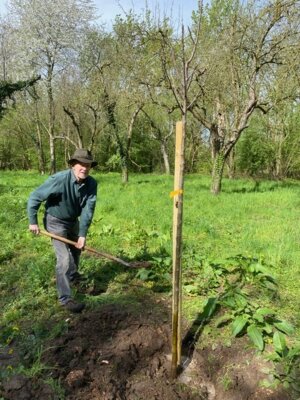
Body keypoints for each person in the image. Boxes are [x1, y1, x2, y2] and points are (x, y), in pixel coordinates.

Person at [27, 148, 98, 313]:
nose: (84, 168)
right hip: (55, 221)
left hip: (73, 220)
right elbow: (35, 196)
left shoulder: (91, 183)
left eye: (88, 165)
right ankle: (65, 299)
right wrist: (33, 221)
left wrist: (82, 234)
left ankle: (73, 277)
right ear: (73, 165)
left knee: (77, 250)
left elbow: (89, 209)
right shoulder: (59, 179)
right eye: (81, 164)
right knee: (64, 259)